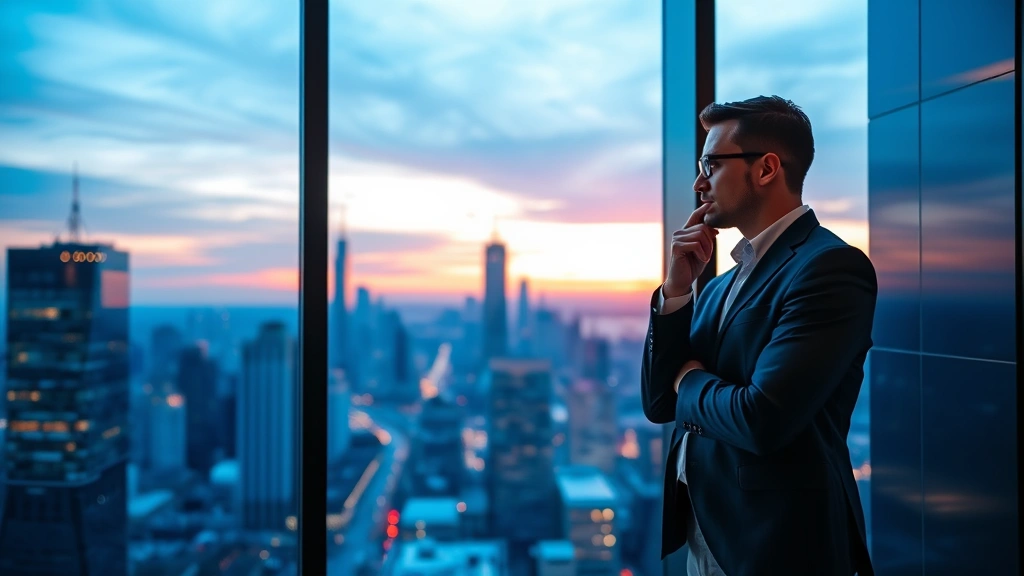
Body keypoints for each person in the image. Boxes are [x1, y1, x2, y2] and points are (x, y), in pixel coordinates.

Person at [640, 95, 876, 576]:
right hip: (706, 536)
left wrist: (689, 381)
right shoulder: (718, 284)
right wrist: (677, 290)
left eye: (710, 163)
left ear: (766, 169)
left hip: (777, 545)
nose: (697, 181)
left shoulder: (829, 268)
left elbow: (760, 419)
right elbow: (659, 404)